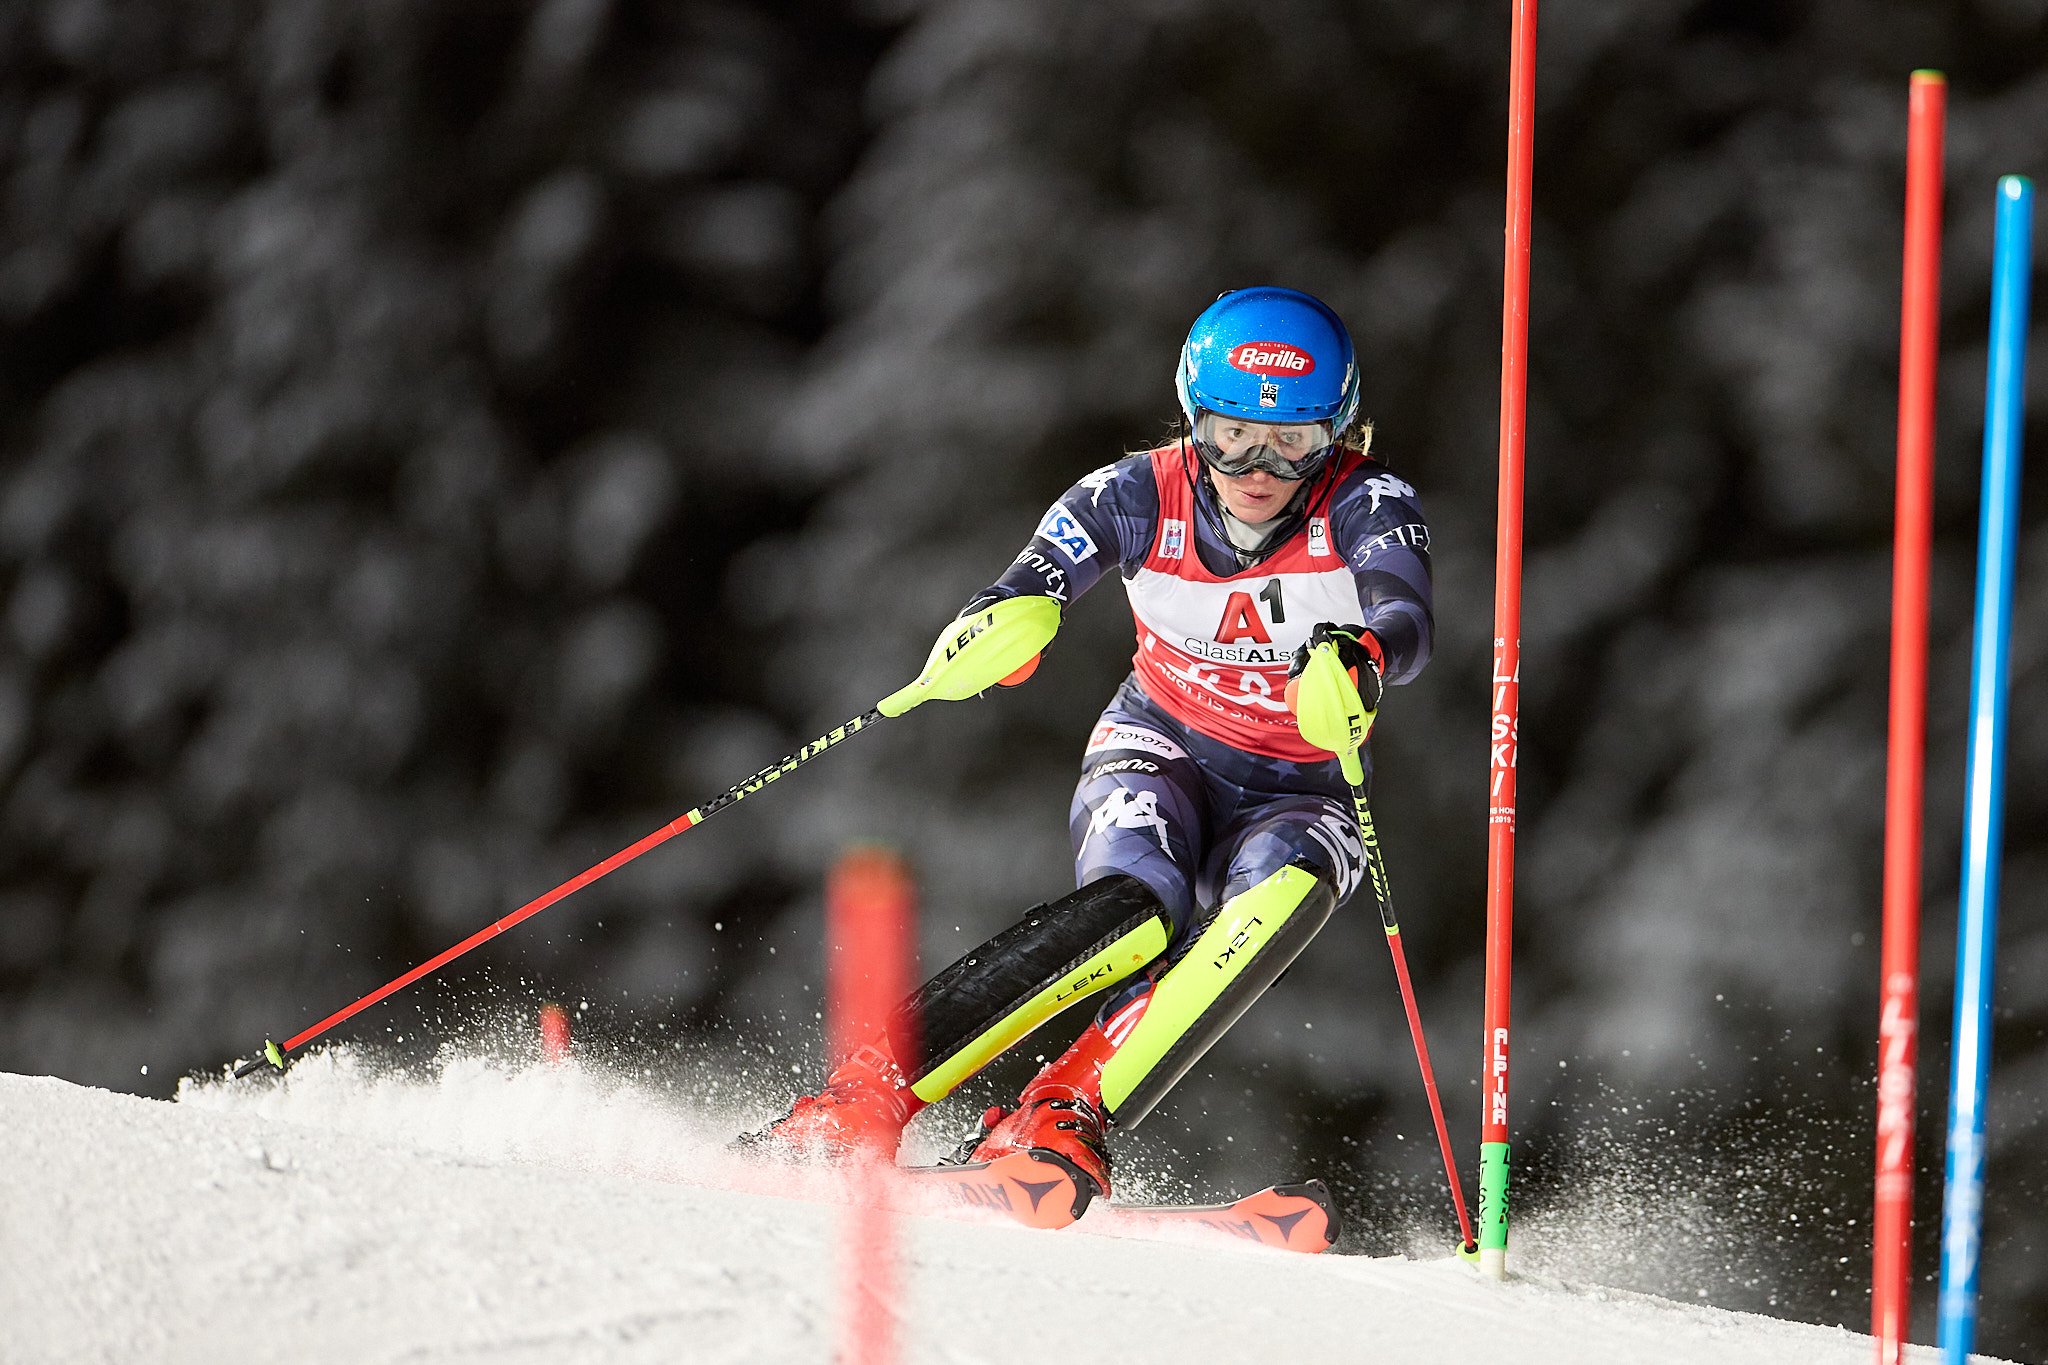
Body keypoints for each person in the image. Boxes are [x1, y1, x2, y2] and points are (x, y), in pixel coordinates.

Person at [745, 287, 1433, 1204]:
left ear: (1337, 434)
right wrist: (1002, 624)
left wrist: (1364, 656)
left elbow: (1406, 613)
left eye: (1294, 440)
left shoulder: (1368, 500)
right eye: (1231, 433)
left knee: (1283, 895)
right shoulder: (1137, 490)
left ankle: (1062, 1112)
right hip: (1163, 743)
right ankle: (855, 1100)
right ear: (1196, 418)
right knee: (1138, 905)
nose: (1258, 465)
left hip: (1303, 788)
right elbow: (1035, 576)